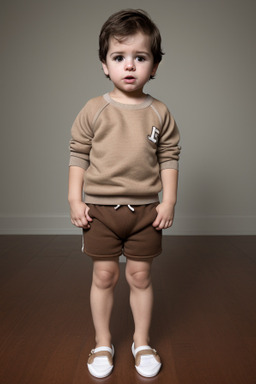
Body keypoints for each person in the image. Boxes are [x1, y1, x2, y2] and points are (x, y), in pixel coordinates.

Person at [68, 9, 180, 379]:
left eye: (140, 57)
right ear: (104, 65)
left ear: (155, 66)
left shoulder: (160, 112)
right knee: (104, 276)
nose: (129, 66)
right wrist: (74, 199)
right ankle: (102, 341)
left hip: (146, 211)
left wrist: (168, 200)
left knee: (140, 277)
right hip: (100, 210)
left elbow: (169, 156)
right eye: (119, 57)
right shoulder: (94, 109)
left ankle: (142, 341)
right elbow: (78, 154)